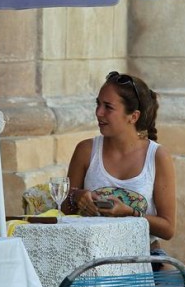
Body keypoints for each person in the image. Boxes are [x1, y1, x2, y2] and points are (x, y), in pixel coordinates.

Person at [63, 71, 176, 269]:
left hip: (143, 255)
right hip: (90, 256)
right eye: (97, 104)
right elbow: (62, 209)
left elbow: (168, 228)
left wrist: (130, 214)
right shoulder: (86, 150)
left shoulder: (157, 156)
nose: (98, 112)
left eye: (108, 107)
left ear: (133, 116)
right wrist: (77, 197)